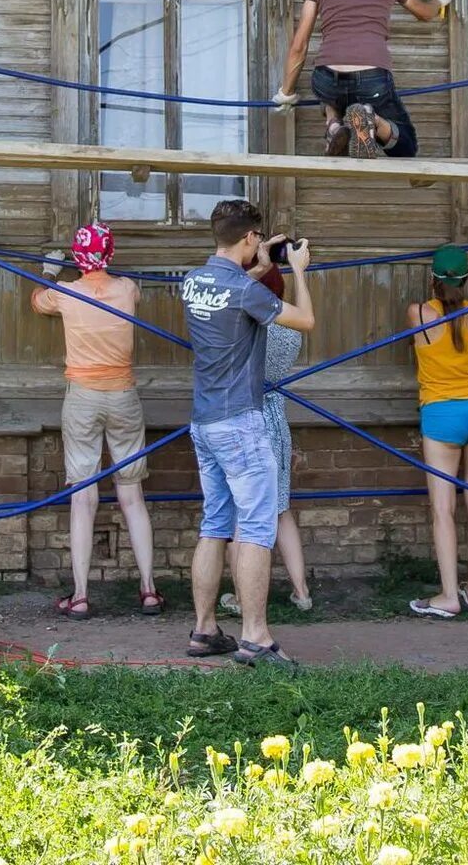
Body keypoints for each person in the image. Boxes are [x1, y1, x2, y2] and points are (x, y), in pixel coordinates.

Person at [180, 198, 315, 666]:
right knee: (256, 528)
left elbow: (235, 293)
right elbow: (306, 321)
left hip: (204, 420)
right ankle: (255, 635)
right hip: (241, 422)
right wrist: (297, 269)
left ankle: (204, 630)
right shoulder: (245, 290)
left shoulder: (194, 281)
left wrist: (256, 265)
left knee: (214, 524)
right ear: (250, 237)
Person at [30, 222, 162, 619]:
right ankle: (150, 590)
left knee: (83, 496)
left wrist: (50, 270)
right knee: (131, 495)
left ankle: (82, 594)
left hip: (83, 397)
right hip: (123, 394)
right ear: (110, 254)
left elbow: (37, 301)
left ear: (77, 256)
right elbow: (124, 285)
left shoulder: (66, 293)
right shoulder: (128, 290)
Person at [273, 0, 446, 159]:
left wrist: (286, 94)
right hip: (371, 79)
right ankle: (371, 120)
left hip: (326, 77)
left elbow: (299, 44)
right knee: (406, 145)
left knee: (328, 93)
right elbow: (425, 13)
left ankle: (334, 127)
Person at [405, 245, 468, 619]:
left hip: (441, 413)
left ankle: (448, 595)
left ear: (432, 278)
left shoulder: (418, 312)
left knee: (443, 509)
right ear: (466, 277)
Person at [219, 262, 312, 621]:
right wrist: (300, 273)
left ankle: (243, 597)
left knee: (243, 512)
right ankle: (301, 592)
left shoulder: (247, 328)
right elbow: (304, 312)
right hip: (278, 418)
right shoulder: (291, 329)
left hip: (248, 417)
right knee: (281, 508)